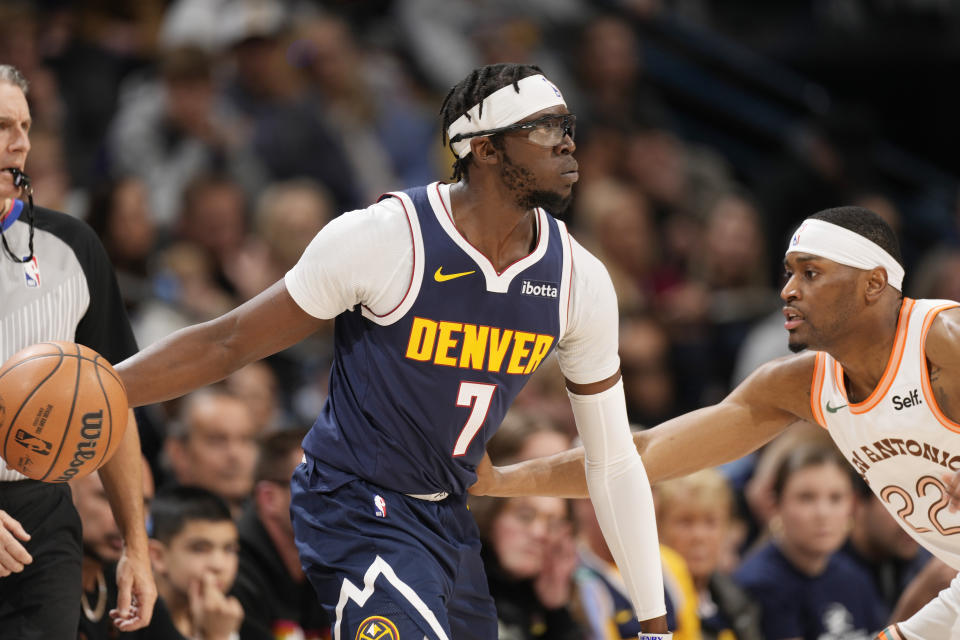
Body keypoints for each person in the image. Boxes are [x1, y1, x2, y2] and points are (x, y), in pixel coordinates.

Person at [113, 62, 669, 639]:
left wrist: (656, 626)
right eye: (545, 127)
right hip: (354, 503)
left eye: (568, 124)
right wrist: (110, 387)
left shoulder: (580, 277)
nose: (568, 141)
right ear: (484, 149)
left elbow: (612, 460)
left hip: (448, 515)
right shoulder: (386, 237)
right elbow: (228, 341)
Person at [472, 205, 960, 639]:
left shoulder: (939, 339)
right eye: (788, 273)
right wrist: (502, 481)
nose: (789, 290)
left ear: (874, 283)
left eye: (811, 273)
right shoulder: (799, 385)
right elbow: (635, 457)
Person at [0, 63, 156, 637]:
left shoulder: (72, 245)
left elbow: (110, 402)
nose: (19, 142)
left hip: (41, 511)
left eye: (26, 125)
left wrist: (136, 547)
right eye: (1, 126)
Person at [732, 443, 884, 639]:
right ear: (776, 503)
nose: (823, 513)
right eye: (806, 498)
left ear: (852, 504)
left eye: (836, 498)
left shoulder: (854, 577)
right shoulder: (759, 584)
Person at [231, 428, 329, 639]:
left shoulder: (338, 557)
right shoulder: (233, 572)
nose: (334, 501)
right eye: (316, 485)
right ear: (269, 498)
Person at [148, 486, 244, 640]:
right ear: (157, 556)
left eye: (229, 549)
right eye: (199, 549)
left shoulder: (221, 614)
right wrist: (217, 636)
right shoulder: (134, 621)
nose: (218, 565)